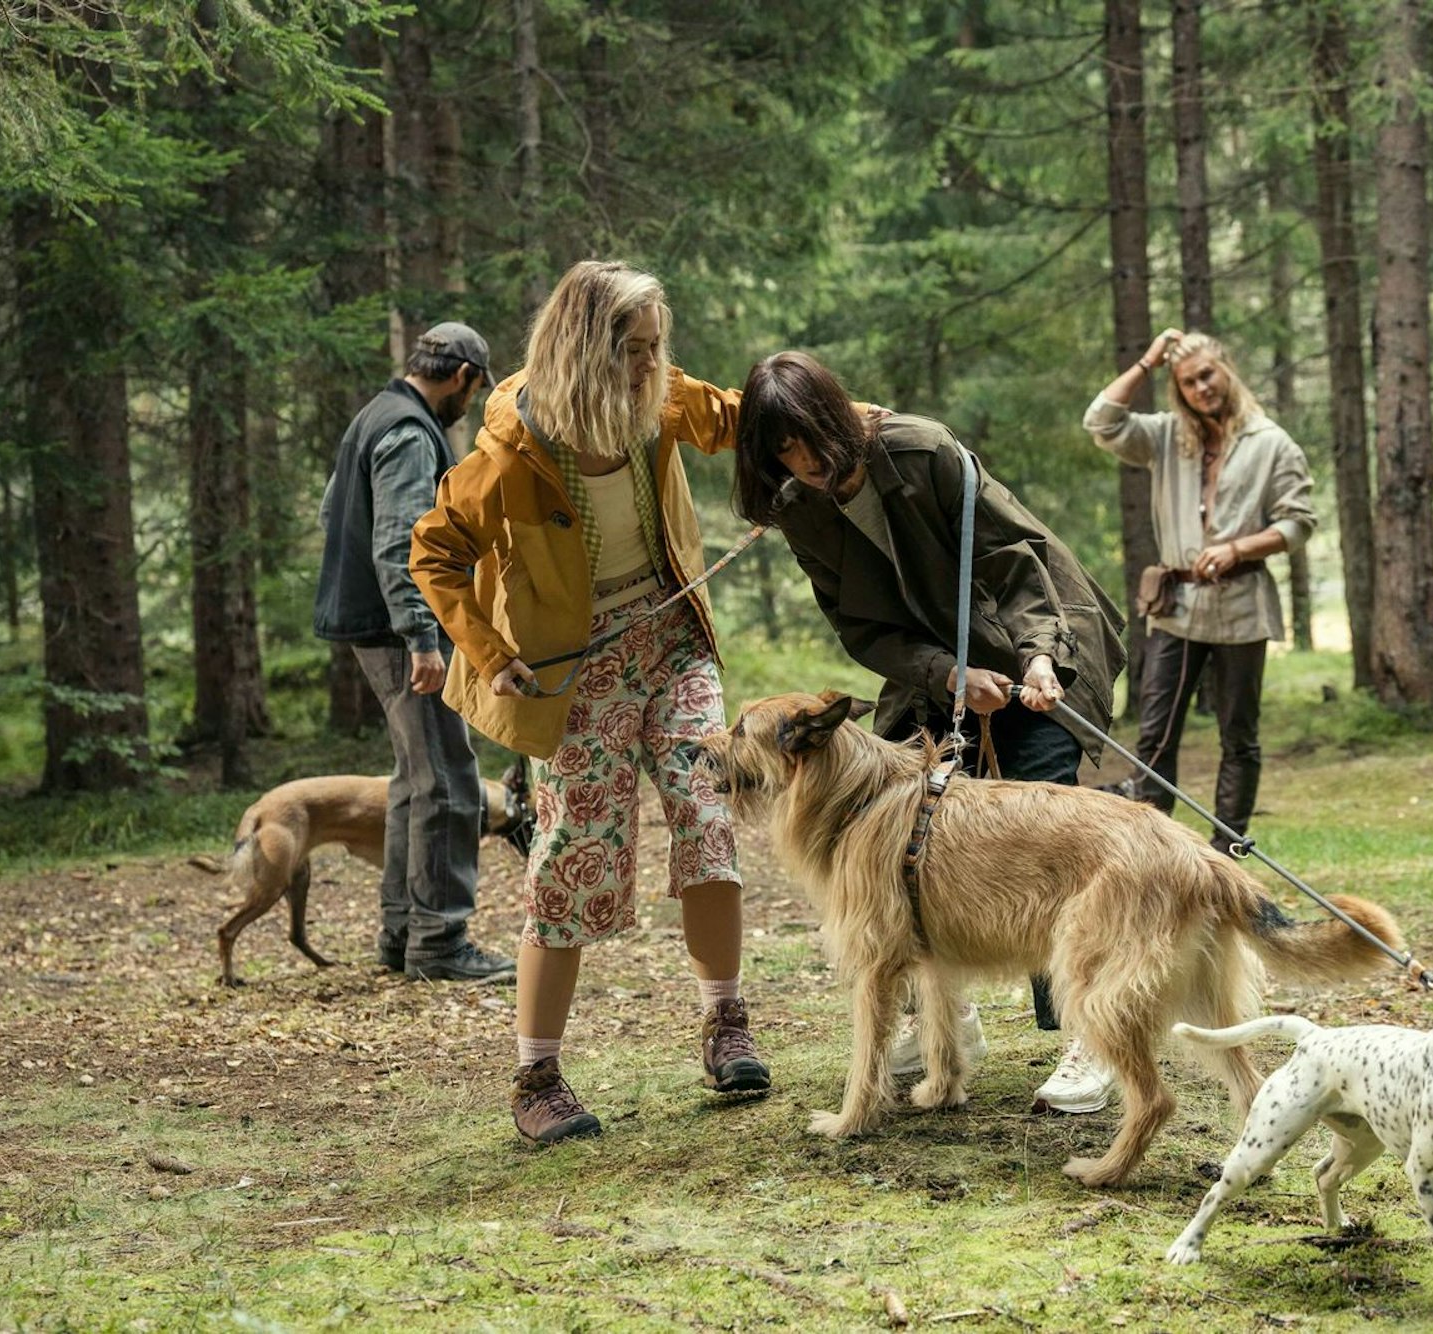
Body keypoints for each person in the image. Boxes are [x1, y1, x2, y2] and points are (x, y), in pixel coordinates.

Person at [411, 261, 766, 1147]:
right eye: (633, 352)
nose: (652, 367)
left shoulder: (659, 398)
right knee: (575, 855)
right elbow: (435, 553)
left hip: (672, 638)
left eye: (656, 349)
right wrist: (489, 655)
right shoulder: (510, 450)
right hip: (577, 667)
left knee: (707, 808)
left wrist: (851, 423)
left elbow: (733, 418)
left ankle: (726, 1023)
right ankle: (537, 1077)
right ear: (582, 353)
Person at [730, 350, 1128, 1116]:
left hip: (1035, 633)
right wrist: (948, 674)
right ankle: (948, 1022)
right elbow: (861, 626)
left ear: (837, 415)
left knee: (1040, 811)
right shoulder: (799, 508)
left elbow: (1017, 557)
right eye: (782, 450)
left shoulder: (922, 450)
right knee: (906, 804)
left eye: (811, 439)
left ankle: (1093, 1031)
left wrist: (1041, 657)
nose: (805, 463)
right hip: (934, 660)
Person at [314, 322, 515, 985]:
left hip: (370, 625)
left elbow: (332, 512)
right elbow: (402, 538)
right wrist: (420, 635)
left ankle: (403, 933)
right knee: (448, 780)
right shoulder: (408, 431)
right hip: (401, 633)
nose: (470, 402)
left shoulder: (375, 414)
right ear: (461, 376)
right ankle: (440, 942)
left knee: (414, 777)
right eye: (475, 388)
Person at [1081, 328, 1316, 854]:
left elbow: (1299, 523)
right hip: (1177, 607)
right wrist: (1148, 360)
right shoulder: (1166, 436)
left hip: (1241, 606)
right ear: (1178, 389)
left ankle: (1226, 852)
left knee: (1239, 737)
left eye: (1207, 374)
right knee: (1156, 736)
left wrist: (1239, 549)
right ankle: (1149, 853)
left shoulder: (1272, 443)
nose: (1201, 388)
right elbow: (1101, 419)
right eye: (1188, 382)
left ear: (1227, 369)